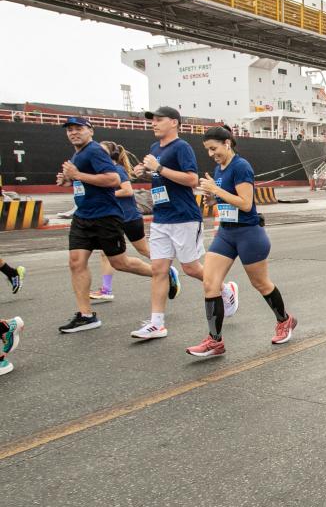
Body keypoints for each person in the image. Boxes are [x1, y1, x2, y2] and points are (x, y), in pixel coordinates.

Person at [186, 126, 295, 357]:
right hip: (226, 234)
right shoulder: (219, 168)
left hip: (248, 234)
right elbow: (226, 200)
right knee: (210, 283)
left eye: (213, 148)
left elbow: (245, 204)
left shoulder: (241, 166)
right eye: (207, 150)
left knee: (261, 284)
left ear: (227, 143)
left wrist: (216, 190)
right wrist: (212, 198)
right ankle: (215, 341)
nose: (211, 154)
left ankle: (284, 320)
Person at [131, 107, 238, 340]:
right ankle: (156, 323)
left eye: (159, 120)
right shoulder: (155, 148)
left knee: (190, 268)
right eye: (152, 120)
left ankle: (225, 288)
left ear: (174, 123)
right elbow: (161, 177)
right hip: (161, 217)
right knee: (158, 269)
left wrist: (158, 168)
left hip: (184, 217)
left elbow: (191, 179)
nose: (154, 123)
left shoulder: (182, 147)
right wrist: (146, 173)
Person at [55, 117, 153, 333]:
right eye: (70, 130)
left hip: (105, 217)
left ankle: (162, 274)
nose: (73, 132)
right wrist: (69, 181)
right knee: (76, 262)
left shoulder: (94, 151)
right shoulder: (78, 154)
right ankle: (86, 316)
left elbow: (112, 180)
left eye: (78, 128)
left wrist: (76, 174)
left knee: (120, 263)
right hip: (83, 216)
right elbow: (87, 182)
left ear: (90, 131)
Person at [89, 141, 150, 301]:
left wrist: (106, 195)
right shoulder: (105, 171)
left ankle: (165, 270)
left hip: (129, 218)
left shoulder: (117, 170)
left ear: (111, 154)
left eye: (101, 151)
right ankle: (106, 290)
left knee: (144, 250)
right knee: (106, 253)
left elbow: (128, 191)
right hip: (114, 219)